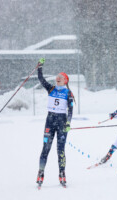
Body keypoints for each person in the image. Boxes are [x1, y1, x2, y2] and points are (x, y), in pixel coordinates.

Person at [36, 58, 75, 187]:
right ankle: (41, 173)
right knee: (45, 148)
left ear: (65, 81)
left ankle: (62, 173)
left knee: (60, 150)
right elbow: (41, 79)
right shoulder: (51, 88)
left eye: (61, 77)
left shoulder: (68, 93)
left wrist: (68, 123)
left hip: (62, 122)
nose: (58, 78)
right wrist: (40, 66)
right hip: (50, 121)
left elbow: (70, 110)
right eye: (57, 77)